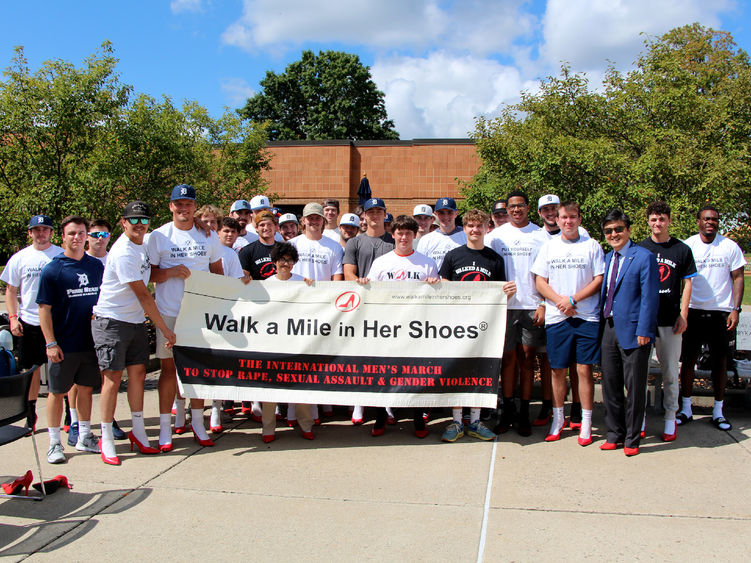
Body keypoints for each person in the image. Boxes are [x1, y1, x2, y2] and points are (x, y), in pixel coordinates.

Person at [92, 202, 177, 464]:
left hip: (135, 322)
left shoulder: (143, 244)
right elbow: (143, 295)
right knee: (112, 380)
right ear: (123, 222)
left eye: (143, 219)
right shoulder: (124, 252)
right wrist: (164, 329)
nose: (139, 224)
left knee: (138, 375)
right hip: (112, 322)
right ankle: (106, 437)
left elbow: (151, 271)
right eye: (133, 220)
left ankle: (139, 432)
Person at [147, 184, 224, 451]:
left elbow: (217, 271)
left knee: (198, 371)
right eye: (178, 204)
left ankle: (198, 424)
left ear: (194, 207)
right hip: (168, 313)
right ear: (171, 206)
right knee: (168, 371)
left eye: (188, 204)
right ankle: (166, 427)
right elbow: (149, 275)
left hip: (200, 313)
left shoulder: (208, 235)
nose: (183, 208)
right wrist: (170, 273)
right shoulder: (158, 236)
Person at [531, 201, 604, 448]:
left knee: (584, 370)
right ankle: (558, 418)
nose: (567, 221)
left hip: (586, 316)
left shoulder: (592, 245)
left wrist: (574, 299)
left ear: (579, 219)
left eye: (572, 217)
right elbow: (540, 281)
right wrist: (560, 302)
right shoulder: (549, 247)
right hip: (557, 317)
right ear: (557, 220)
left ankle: (585, 421)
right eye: (563, 217)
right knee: (557, 370)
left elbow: (598, 279)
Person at [439, 209, 515, 442]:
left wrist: (508, 293)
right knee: (457, 370)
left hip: (483, 325)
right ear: (465, 227)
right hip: (458, 324)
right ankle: (455, 421)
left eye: (479, 226)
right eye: (470, 225)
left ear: (486, 228)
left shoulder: (494, 259)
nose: (474, 230)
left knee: (480, 371)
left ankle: (475, 420)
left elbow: (500, 295)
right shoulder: (453, 256)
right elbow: (444, 286)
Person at [360, 215, 440, 438]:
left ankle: (417, 419)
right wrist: (365, 284)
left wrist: (436, 284)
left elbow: (436, 297)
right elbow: (371, 294)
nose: (403, 237)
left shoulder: (426, 263)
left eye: (408, 233)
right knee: (385, 374)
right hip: (388, 328)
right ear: (393, 234)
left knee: (415, 374)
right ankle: (381, 416)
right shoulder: (382, 262)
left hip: (417, 328)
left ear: (414, 235)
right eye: (399, 233)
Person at [37, 216, 104, 464]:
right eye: (72, 233)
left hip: (90, 342)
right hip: (64, 345)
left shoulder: (96, 266)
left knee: (86, 390)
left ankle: (85, 435)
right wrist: (50, 343)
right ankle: (54, 442)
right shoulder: (54, 269)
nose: (76, 237)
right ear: (63, 237)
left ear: (87, 236)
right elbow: (43, 309)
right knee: (57, 392)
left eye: (81, 233)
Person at [678, 205, 746, 431]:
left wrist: (735, 309)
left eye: (715, 219)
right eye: (706, 219)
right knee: (688, 361)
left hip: (720, 314)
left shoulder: (729, 247)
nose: (711, 222)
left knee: (720, 363)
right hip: (693, 311)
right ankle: (686, 408)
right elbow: (681, 280)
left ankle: (718, 411)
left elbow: (738, 277)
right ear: (698, 221)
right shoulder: (688, 245)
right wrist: (681, 311)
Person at [599, 210, 659, 456]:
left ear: (628, 230)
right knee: (610, 384)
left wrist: (645, 329)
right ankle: (614, 433)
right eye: (609, 231)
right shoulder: (607, 258)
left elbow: (650, 297)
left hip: (635, 331)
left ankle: (632, 439)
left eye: (618, 229)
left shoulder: (643, 257)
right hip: (609, 328)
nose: (614, 234)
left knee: (634, 388)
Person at [484, 190, 543, 436]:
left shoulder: (540, 235)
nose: (516, 210)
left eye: (520, 206)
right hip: (504, 308)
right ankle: (506, 410)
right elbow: (485, 267)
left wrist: (543, 304)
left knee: (527, 360)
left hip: (531, 305)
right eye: (511, 207)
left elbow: (547, 274)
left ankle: (523, 413)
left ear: (528, 208)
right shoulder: (496, 236)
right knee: (507, 360)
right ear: (506, 210)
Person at [638, 201, 696, 441]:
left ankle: (671, 417)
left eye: (661, 219)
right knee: (638, 373)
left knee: (671, 372)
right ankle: (637, 418)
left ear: (669, 221)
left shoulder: (681, 250)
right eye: (653, 219)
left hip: (670, 321)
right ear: (648, 221)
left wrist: (684, 314)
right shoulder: (640, 249)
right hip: (644, 321)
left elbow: (688, 284)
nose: (657, 223)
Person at [1, 215, 62, 431]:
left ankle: (67, 415)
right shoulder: (20, 258)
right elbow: (11, 290)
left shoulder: (60, 255)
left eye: (45, 229)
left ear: (52, 233)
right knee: (31, 370)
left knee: (62, 370)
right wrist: (13, 317)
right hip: (29, 321)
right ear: (30, 233)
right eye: (36, 229)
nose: (41, 233)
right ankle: (30, 413)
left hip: (58, 322)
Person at [343, 198, 395, 424]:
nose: (374, 215)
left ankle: (387, 403)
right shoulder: (354, 242)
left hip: (389, 307)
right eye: (370, 212)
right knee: (361, 356)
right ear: (364, 216)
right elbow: (348, 274)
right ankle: (359, 402)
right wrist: (361, 284)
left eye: (378, 211)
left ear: (385, 214)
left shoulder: (394, 241)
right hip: (363, 306)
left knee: (389, 357)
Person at [260, 242, 316, 443]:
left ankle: (306, 425)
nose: (286, 264)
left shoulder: (303, 282)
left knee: (300, 386)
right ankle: (268, 429)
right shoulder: (265, 284)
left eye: (290, 260)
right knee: (269, 389)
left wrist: (313, 288)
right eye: (282, 260)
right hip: (272, 344)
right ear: (275, 261)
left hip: (296, 343)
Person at [416, 197, 466, 269]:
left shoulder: (466, 237)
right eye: (441, 213)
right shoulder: (426, 240)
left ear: (456, 213)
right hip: (436, 280)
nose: (446, 216)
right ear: (435, 214)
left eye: (449, 212)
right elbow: (420, 267)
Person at [239, 210, 278, 280]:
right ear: (256, 228)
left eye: (269, 224)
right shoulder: (247, 251)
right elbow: (243, 280)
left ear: (275, 227)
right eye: (262, 225)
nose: (266, 228)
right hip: (258, 290)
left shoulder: (283, 249)